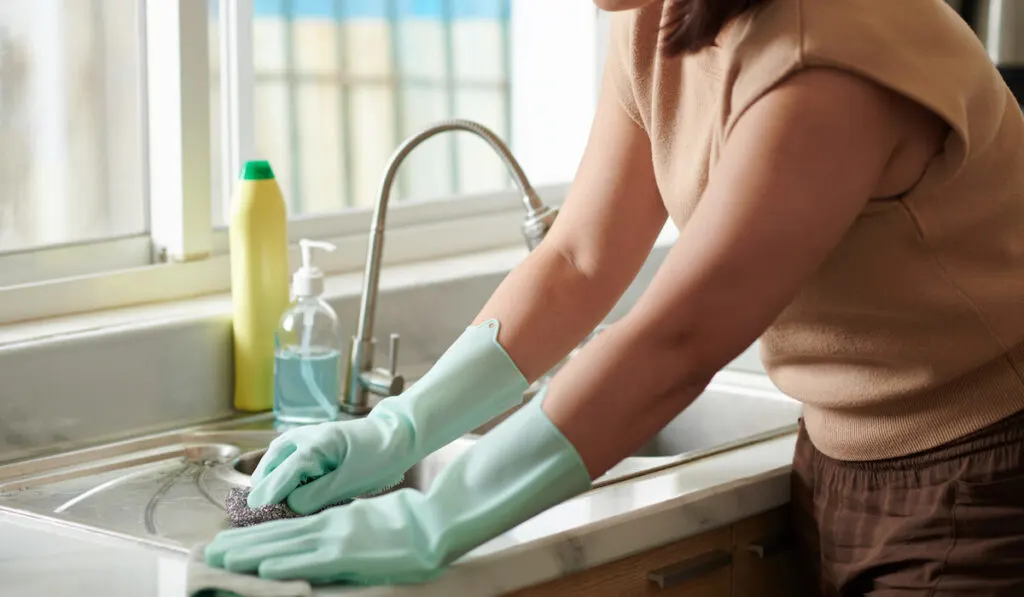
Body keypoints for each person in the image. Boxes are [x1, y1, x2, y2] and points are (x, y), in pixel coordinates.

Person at [206, 0, 1024, 593]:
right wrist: (401, 424)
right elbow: (579, 258)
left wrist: (438, 514)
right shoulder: (660, 18)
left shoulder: (830, 49)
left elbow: (678, 340)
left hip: (983, 476)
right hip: (837, 463)